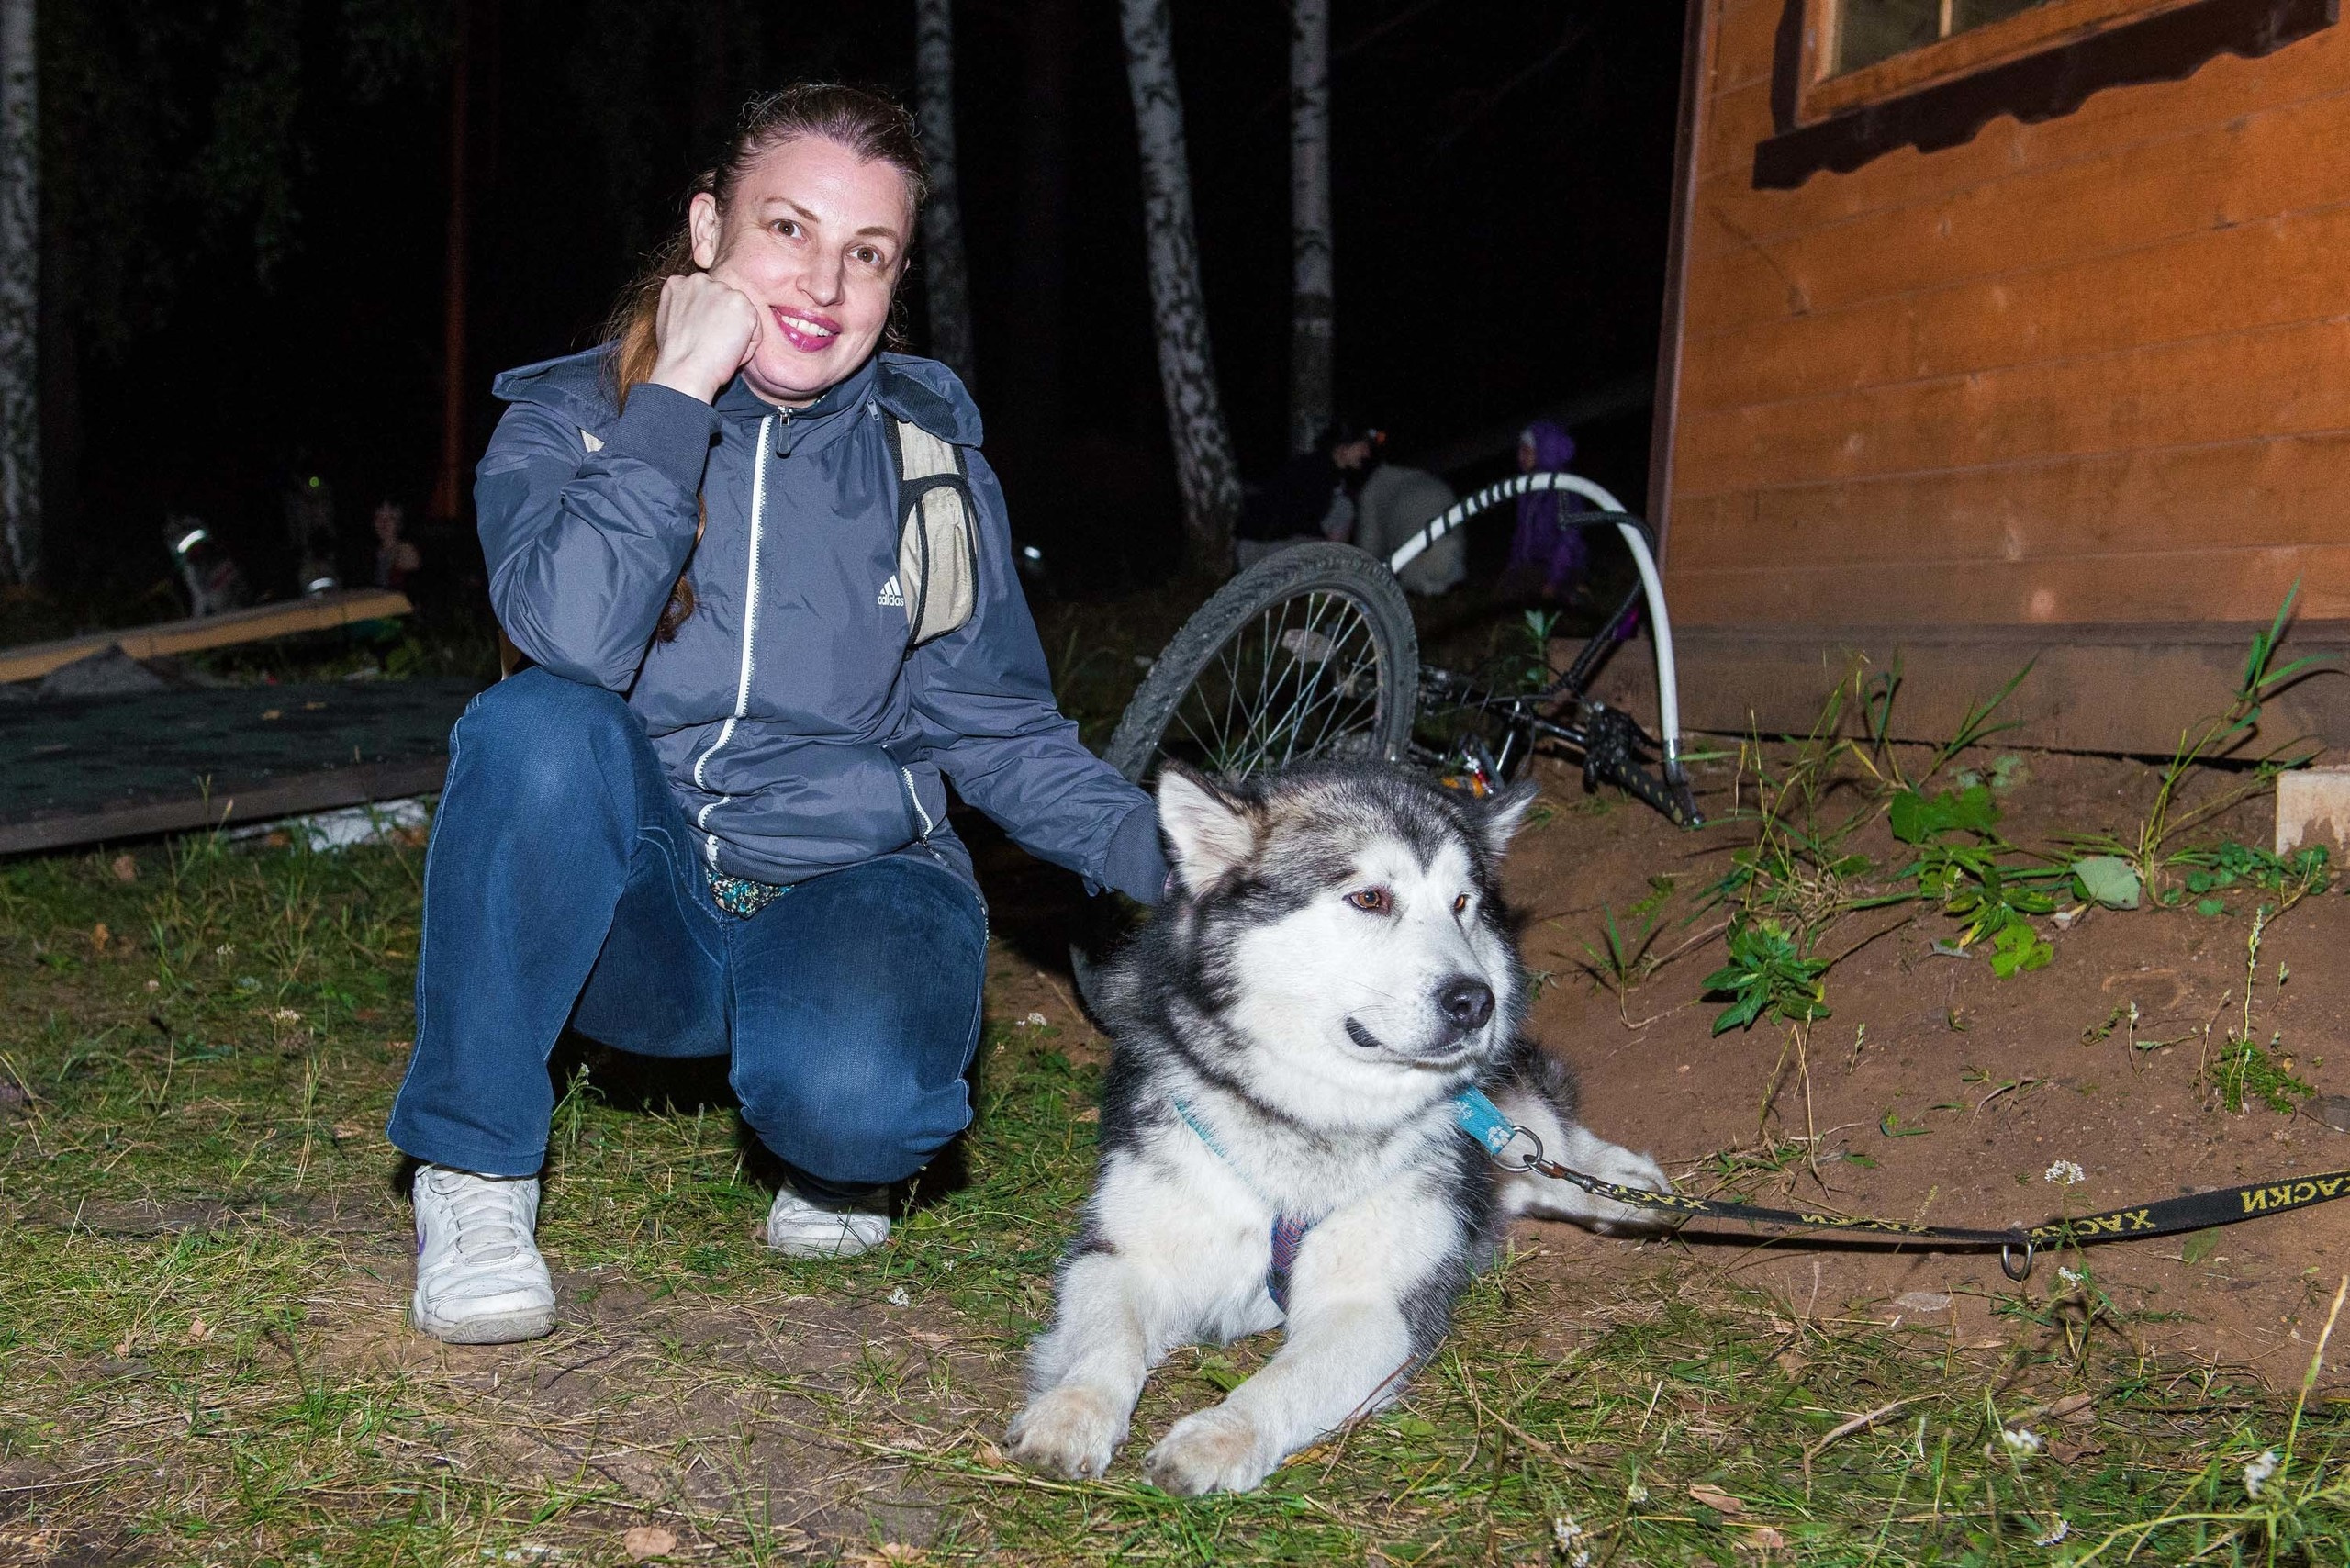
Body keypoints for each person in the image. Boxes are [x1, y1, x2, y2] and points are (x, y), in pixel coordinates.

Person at [385, 84, 1169, 1345]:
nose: (824, 285)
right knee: (538, 727)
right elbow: (572, 642)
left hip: (849, 883)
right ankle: (474, 1171)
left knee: (862, 1105)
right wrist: (677, 395)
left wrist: (1201, 868)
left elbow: (1001, 731)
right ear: (707, 229)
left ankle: (836, 1130)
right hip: (640, 926)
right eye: (787, 229)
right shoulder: (569, 421)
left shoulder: (930, 464)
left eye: (868, 254)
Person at [1232, 425, 1380, 570]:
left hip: (1275, 547)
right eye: (1363, 447)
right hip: (1263, 549)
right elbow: (1293, 518)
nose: (1367, 454)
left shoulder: (1333, 477)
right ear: (1343, 447)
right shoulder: (1314, 471)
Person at [1500, 420, 1588, 602]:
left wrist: (1553, 581)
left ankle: (1577, 594)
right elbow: (1521, 534)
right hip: (1533, 567)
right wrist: (1513, 568)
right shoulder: (1527, 487)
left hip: (1564, 569)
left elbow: (1569, 540)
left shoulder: (1564, 486)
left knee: (1558, 603)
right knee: (1504, 600)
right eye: (1520, 450)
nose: (1520, 456)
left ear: (1542, 451)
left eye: (1527, 450)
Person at [372, 501, 421, 591]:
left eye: (390, 518)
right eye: (379, 517)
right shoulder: (371, 553)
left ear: (399, 524)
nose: (384, 523)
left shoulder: (405, 551)